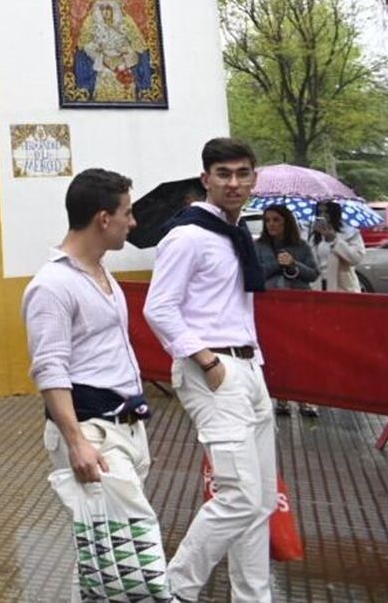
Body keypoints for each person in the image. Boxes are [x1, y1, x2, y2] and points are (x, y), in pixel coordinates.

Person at [143, 137, 276, 603]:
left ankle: (253, 598)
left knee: (259, 504)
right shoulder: (188, 234)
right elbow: (159, 308)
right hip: (213, 371)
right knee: (238, 497)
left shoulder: (237, 234)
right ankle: (174, 589)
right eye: (223, 174)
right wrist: (206, 360)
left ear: (254, 178)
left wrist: (252, 365)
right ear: (206, 180)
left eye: (242, 173)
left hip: (249, 368)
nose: (234, 182)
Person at [22, 168, 155, 603]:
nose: (131, 223)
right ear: (103, 218)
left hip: (127, 429)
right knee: (135, 563)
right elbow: (50, 370)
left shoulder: (102, 275)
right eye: (127, 213)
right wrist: (76, 441)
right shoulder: (52, 285)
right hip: (94, 434)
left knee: (103, 562)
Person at [253, 204, 320, 418]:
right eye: (268, 220)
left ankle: (304, 398)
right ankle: (281, 398)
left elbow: (313, 274)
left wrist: (293, 265)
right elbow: (255, 274)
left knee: (300, 351)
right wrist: (276, 265)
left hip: (297, 306)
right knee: (276, 351)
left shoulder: (301, 245)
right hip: (270, 308)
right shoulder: (259, 246)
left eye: (276, 220)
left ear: (286, 222)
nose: (271, 224)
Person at [311, 201, 365, 292]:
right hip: (318, 288)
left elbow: (356, 258)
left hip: (343, 288)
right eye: (320, 212)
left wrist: (334, 240)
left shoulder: (349, 233)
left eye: (327, 212)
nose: (323, 215)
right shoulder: (313, 234)